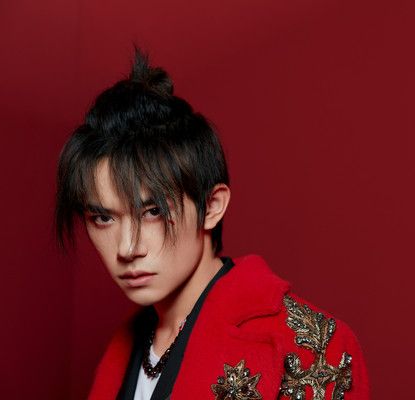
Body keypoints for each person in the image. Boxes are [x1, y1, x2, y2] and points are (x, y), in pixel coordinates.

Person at [54, 48, 370, 400]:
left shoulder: (308, 345)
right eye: (103, 218)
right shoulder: (123, 347)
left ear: (212, 206)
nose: (127, 248)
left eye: (153, 211)